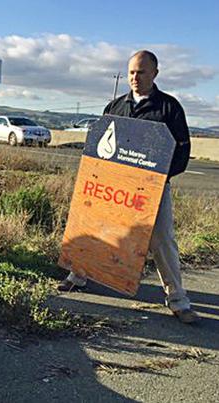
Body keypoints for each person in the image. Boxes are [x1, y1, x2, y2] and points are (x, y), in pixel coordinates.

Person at [58, 50, 199, 324]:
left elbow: (182, 153)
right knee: (97, 228)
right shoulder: (115, 107)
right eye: (132, 72)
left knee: (161, 239)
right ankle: (79, 274)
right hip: (112, 188)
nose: (135, 77)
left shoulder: (169, 108)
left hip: (153, 191)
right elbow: (100, 149)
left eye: (142, 72)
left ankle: (178, 300)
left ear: (155, 74)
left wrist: (158, 180)